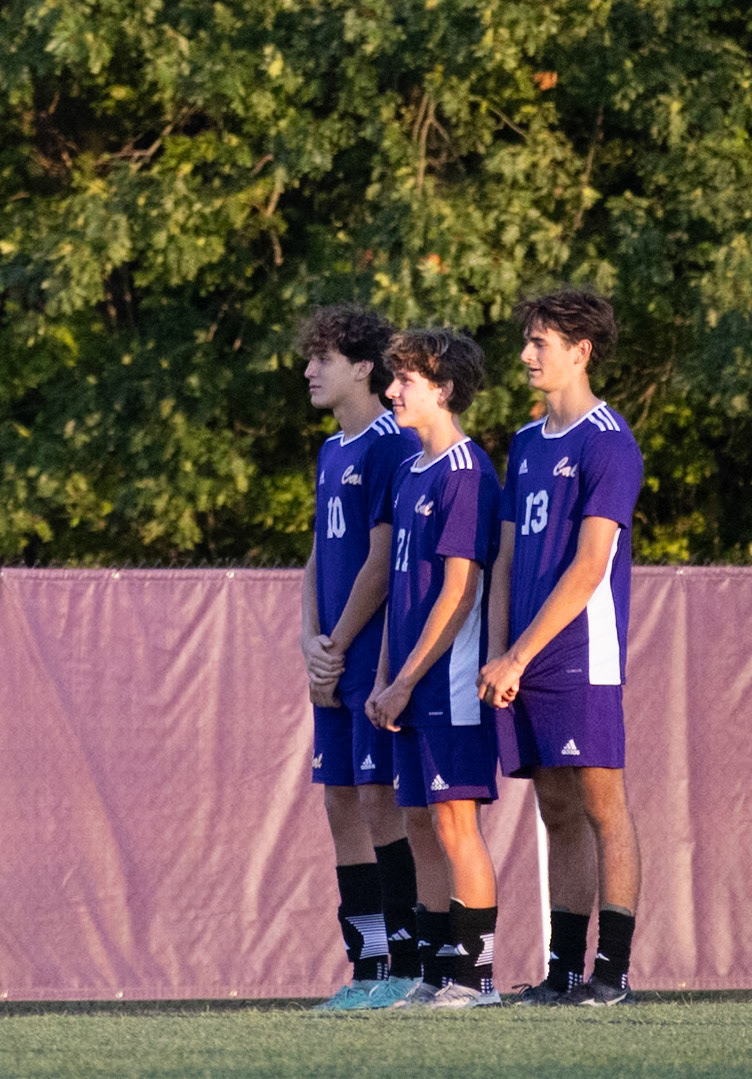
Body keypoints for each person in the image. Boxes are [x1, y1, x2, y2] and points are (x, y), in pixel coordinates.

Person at [477, 288, 644, 1006]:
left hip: (579, 648)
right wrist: (499, 652)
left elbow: (588, 566)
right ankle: (563, 971)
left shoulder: (609, 440)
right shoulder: (523, 441)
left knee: (602, 802)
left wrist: (520, 654)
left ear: (579, 351)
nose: (525, 354)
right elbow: (508, 556)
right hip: (523, 656)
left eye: (539, 342)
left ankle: (611, 972)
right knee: (553, 808)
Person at [367, 328, 503, 1009]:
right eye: (393, 379)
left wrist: (405, 678)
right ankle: (433, 969)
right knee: (418, 820)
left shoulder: (467, 472)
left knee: (455, 824)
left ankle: (477, 980)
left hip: (448, 684)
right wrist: (384, 679)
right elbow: (402, 588)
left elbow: (458, 593)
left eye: (407, 380)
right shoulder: (409, 470)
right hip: (409, 684)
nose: (393, 391)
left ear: (444, 389)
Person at [299, 305, 422, 1011]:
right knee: (338, 799)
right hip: (332, 660)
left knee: (381, 801)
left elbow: (379, 562)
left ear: (363, 367)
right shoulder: (329, 450)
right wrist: (310, 644)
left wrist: (339, 645)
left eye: (323, 358)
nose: (309, 371)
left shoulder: (388, 443)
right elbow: (319, 554)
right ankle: (368, 962)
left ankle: (407, 961)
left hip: (369, 655)